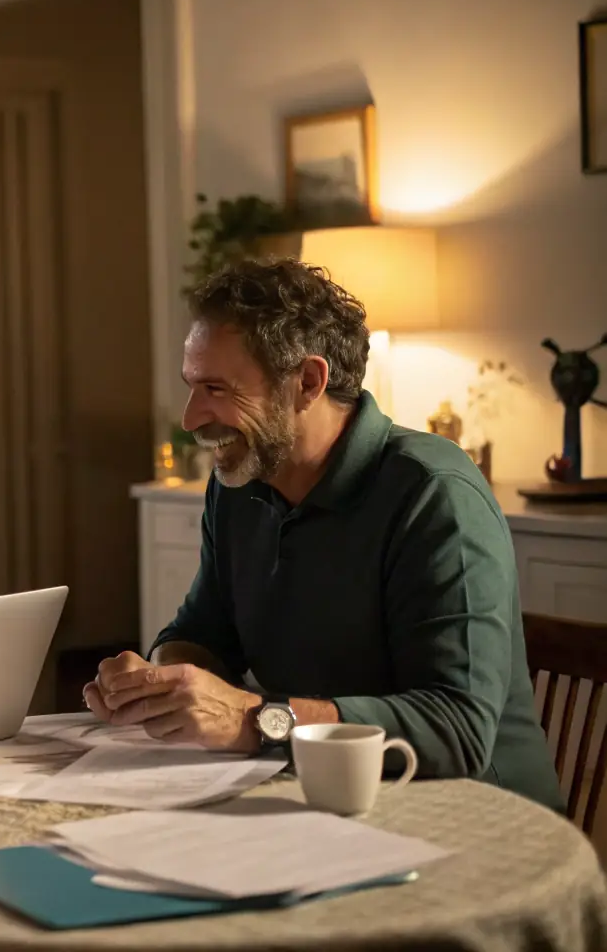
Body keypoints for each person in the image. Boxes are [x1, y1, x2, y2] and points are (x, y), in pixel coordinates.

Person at [84, 258, 563, 812]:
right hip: (317, 801)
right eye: (193, 386)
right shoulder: (240, 485)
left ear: (308, 382)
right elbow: (204, 633)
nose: (192, 418)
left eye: (216, 388)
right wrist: (159, 681)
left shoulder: (435, 493)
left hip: (474, 819)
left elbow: (456, 729)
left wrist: (250, 718)